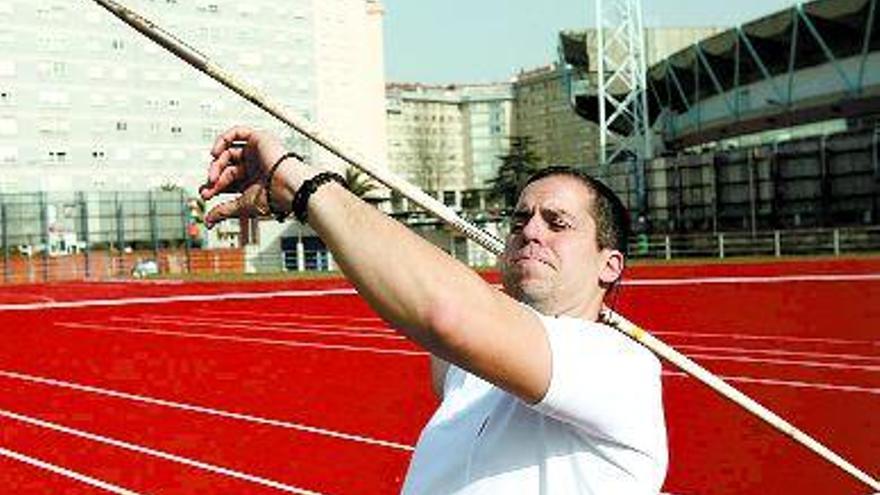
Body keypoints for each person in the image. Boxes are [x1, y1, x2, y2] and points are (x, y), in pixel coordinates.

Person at [200, 126, 668, 494]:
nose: (531, 231)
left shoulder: (621, 367)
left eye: (557, 222)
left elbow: (446, 311)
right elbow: (414, 281)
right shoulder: (472, 369)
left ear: (610, 265)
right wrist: (305, 209)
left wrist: (301, 184)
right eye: (520, 220)